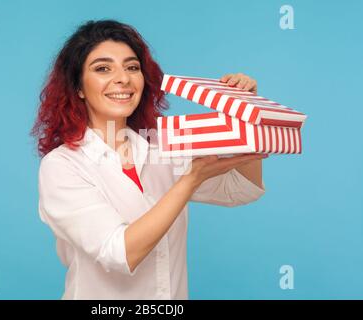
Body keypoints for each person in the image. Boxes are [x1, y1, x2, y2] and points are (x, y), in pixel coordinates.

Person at [31, 19, 267, 300]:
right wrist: (190, 181)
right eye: (103, 68)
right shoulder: (63, 166)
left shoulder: (161, 145)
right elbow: (119, 253)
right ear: (79, 87)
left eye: (132, 67)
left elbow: (240, 189)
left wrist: (248, 114)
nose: (123, 78)